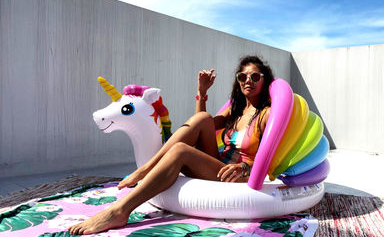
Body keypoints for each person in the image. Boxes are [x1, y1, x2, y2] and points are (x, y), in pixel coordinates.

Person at [69, 55, 275, 235]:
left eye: (255, 76)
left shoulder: (267, 114)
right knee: (203, 117)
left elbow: (272, 156)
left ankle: (120, 210)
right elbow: (199, 127)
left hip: (237, 174)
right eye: (243, 76)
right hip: (217, 164)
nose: (248, 80)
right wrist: (201, 92)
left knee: (180, 151)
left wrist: (244, 167)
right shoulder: (235, 111)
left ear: (264, 81)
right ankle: (146, 170)